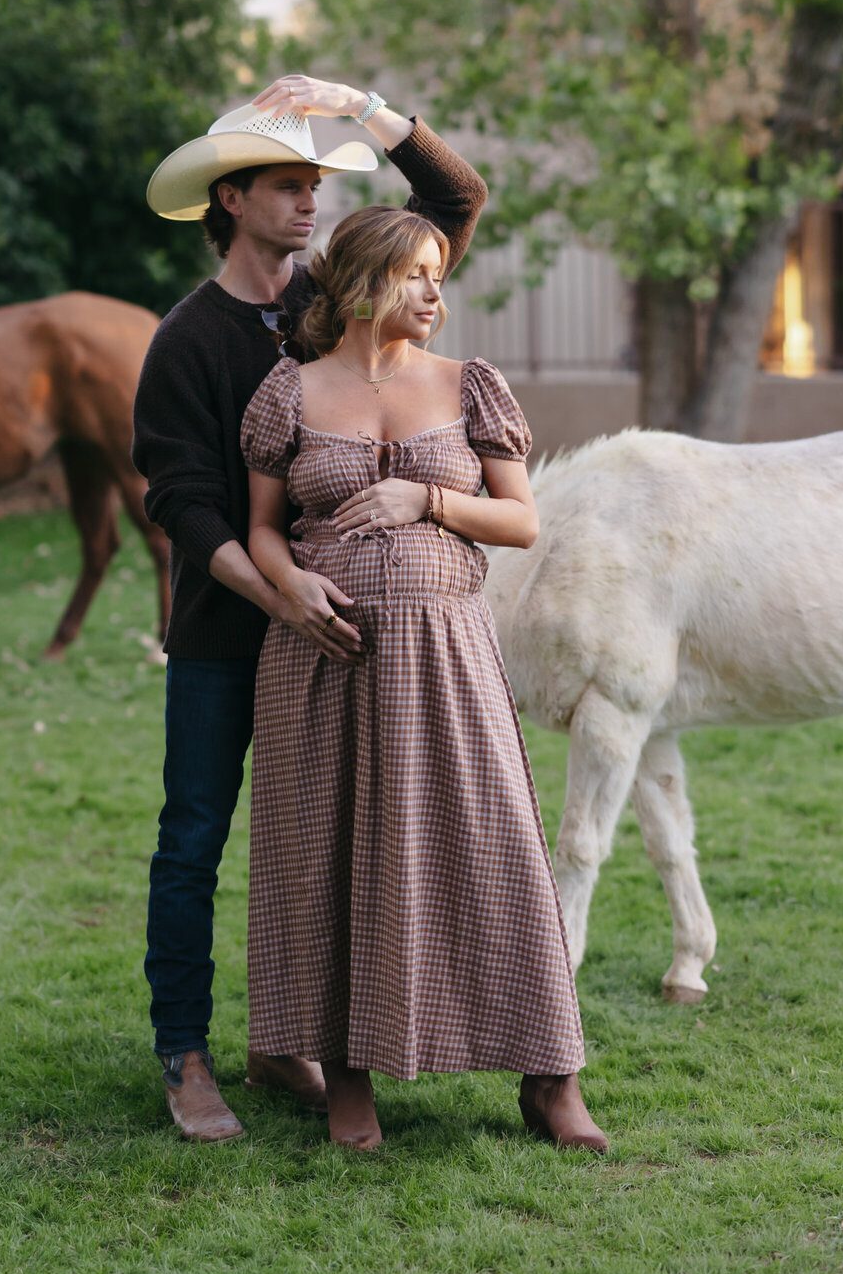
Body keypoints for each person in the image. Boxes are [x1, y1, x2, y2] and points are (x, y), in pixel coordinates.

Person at [132, 74, 488, 1141]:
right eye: (287, 185)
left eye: (314, 184)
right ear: (229, 200)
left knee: (314, 842)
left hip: (344, 645)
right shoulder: (185, 342)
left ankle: (286, 1035)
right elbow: (186, 510)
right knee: (193, 836)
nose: (311, 203)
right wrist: (281, 588)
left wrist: (362, 106)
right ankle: (185, 1053)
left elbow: (456, 203)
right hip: (226, 635)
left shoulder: (338, 306)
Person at [240, 204, 607, 1152]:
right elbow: (264, 529)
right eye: (417, 275)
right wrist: (291, 587)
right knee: (332, 856)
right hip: (328, 663)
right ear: (364, 284)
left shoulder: (466, 385)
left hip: (447, 659)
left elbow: (520, 520)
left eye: (440, 273)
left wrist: (427, 499)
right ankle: (348, 1078)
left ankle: (549, 1075)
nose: (437, 293)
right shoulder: (290, 394)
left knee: (494, 850)